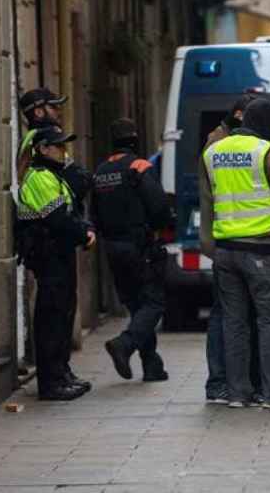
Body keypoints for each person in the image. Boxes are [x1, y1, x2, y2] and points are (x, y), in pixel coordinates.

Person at [203, 98, 270, 409]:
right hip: (260, 249)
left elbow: (213, 194)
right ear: (267, 124)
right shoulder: (267, 151)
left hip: (225, 250)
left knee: (234, 323)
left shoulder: (213, 152)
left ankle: (238, 393)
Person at [15, 126, 97, 401]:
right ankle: (50, 382)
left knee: (63, 313)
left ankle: (62, 373)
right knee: (51, 317)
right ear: (42, 149)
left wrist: (83, 228)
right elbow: (58, 219)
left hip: (59, 253)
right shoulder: (39, 178)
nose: (64, 151)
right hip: (47, 255)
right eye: (58, 146)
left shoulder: (53, 175)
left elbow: (74, 205)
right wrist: (83, 232)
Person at [93, 118, 174, 383]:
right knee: (153, 303)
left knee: (137, 305)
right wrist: (164, 224)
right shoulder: (139, 166)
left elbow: (94, 213)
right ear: (134, 140)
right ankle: (124, 344)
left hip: (112, 248)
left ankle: (152, 366)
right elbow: (159, 207)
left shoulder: (101, 172)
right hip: (140, 246)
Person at [199, 93, 262, 404]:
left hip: (229, 236)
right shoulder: (219, 144)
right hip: (227, 237)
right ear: (239, 115)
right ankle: (219, 381)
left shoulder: (222, 140)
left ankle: (238, 380)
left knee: (232, 314)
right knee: (224, 315)